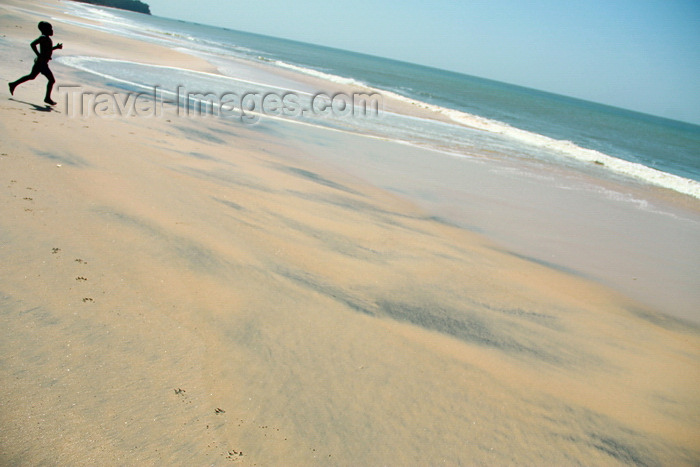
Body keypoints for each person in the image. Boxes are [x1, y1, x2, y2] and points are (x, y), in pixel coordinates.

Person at [8, 21, 63, 105]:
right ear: (44, 29)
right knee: (51, 80)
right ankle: (47, 98)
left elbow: (47, 49)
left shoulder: (46, 38)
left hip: (41, 62)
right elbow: (33, 44)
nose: (52, 30)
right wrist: (38, 54)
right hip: (41, 63)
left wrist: (56, 47)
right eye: (50, 29)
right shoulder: (43, 37)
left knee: (32, 76)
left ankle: (13, 84)